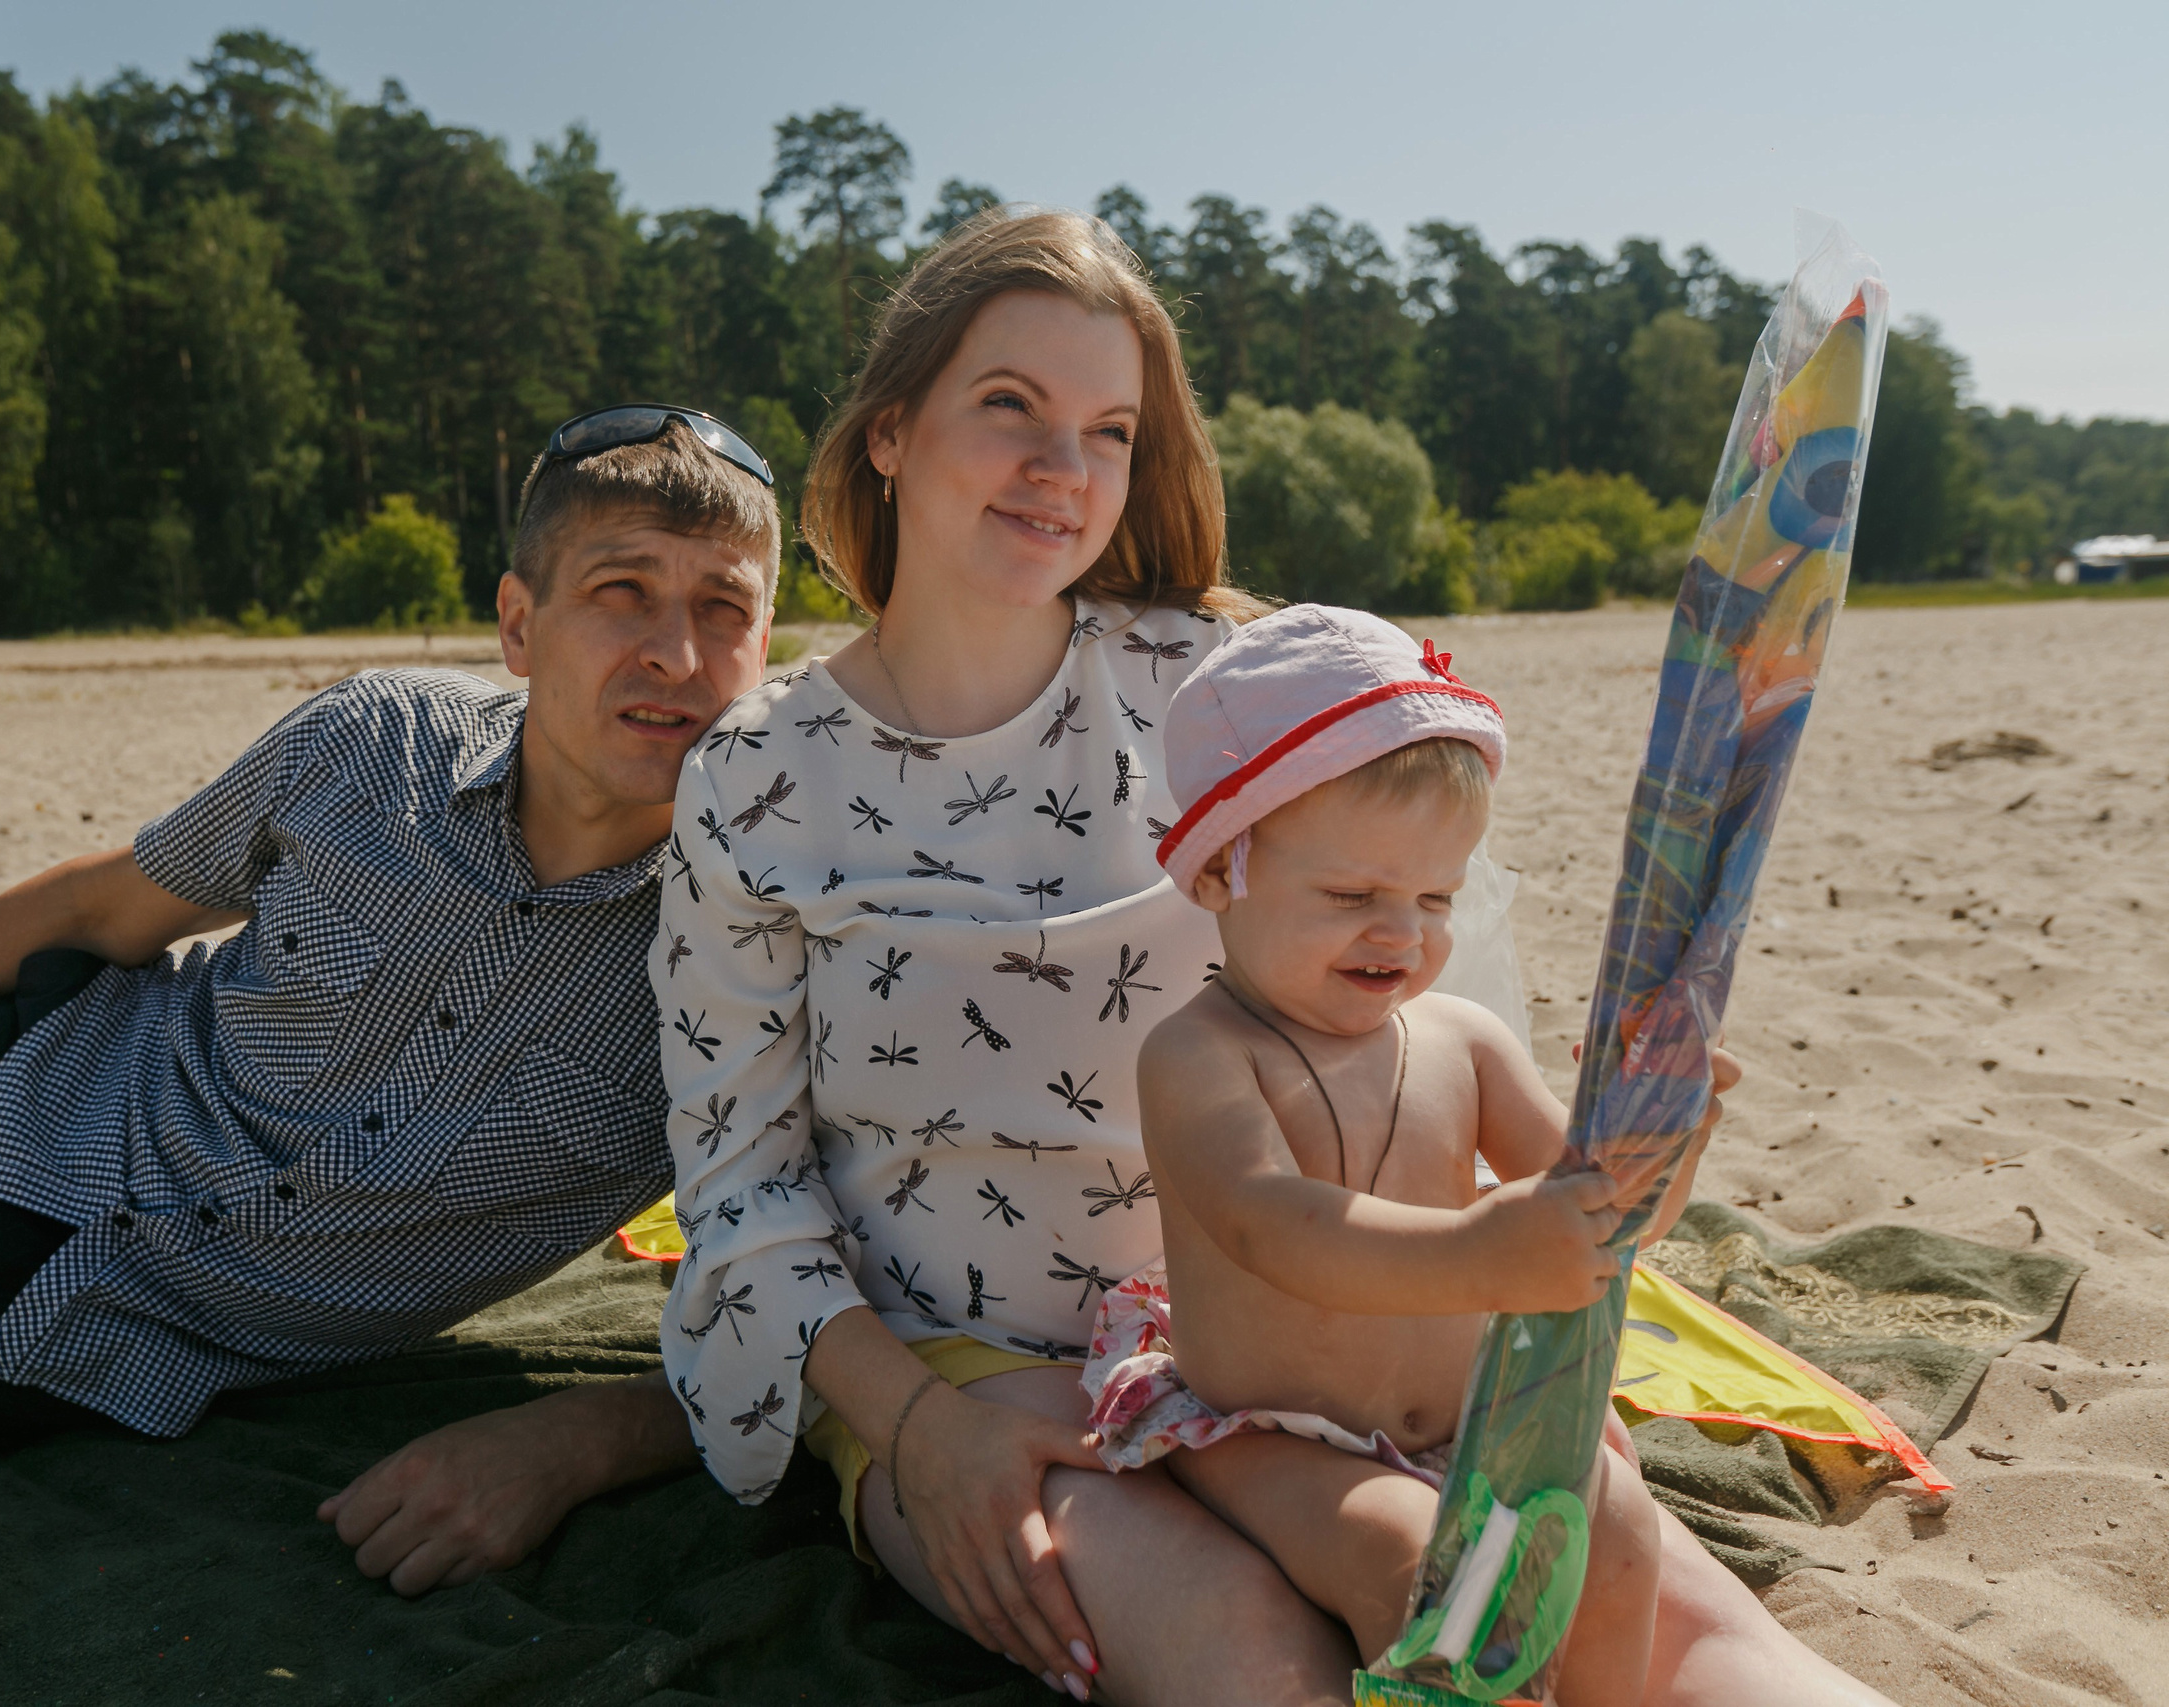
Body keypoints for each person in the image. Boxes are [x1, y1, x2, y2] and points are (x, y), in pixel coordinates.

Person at [651, 204, 1895, 1707]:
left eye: (1109, 429)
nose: (1065, 467)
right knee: (1252, 1659)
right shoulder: (756, 773)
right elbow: (741, 1187)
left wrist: (1515, 1351)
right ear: (892, 430)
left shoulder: (1224, 683)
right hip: (960, 1363)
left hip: (1311, 1342)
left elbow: (1428, 1026)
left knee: (1653, 1625)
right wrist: (917, 1426)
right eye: (1010, 407)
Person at [0, 406, 770, 1594]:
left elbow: (824, 1294)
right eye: (622, 590)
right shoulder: (378, 742)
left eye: (723, 608)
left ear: (766, 645)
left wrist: (581, 1439)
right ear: (520, 625)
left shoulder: (771, 955)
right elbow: (98, 911)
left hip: (82, 1341)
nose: (676, 656)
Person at [1094, 604, 1679, 1702]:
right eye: (1353, 896)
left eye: (1434, 899)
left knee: (1623, 1526)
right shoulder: (1200, 1056)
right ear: (1221, 870)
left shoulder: (1464, 1040)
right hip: (1276, 1436)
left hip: (1468, 1418)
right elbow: (1274, 1225)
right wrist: (1481, 1249)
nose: (1402, 935)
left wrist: (1667, 1122)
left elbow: (1610, 1213)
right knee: (1424, 1567)